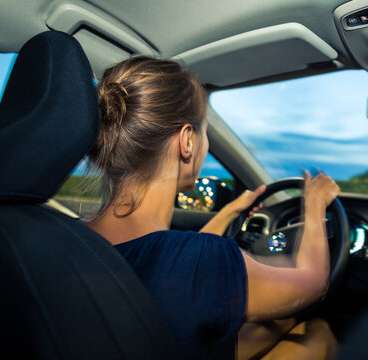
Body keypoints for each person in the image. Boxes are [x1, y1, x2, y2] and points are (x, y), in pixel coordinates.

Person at [85, 56, 340, 359]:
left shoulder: (67, 234)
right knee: (317, 332)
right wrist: (314, 207)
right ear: (187, 141)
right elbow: (313, 285)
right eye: (204, 130)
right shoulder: (200, 260)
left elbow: (169, 263)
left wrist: (229, 212)